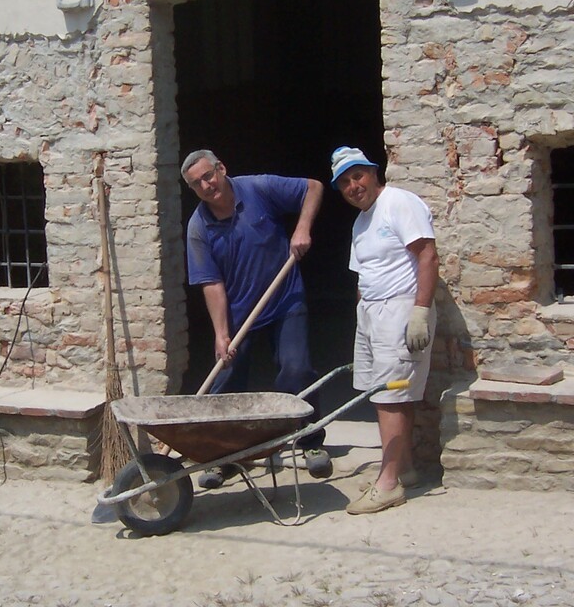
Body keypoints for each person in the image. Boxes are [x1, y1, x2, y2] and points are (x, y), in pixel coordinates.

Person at [182, 149, 332, 487]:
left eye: (209, 176)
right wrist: (222, 334)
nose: (206, 185)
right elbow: (211, 283)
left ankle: (309, 441)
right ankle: (226, 458)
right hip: (238, 312)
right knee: (226, 381)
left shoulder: (258, 188)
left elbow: (314, 187)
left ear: (222, 168)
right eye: (197, 183)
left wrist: (302, 229)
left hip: (284, 298)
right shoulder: (198, 228)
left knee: (297, 368)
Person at [330, 146, 440, 515]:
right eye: (344, 182)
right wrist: (362, 312)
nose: (353, 185)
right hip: (372, 312)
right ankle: (403, 469)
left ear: (374, 173)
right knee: (382, 393)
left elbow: (427, 253)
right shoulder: (361, 222)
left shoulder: (398, 202)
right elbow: (361, 273)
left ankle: (388, 484)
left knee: (392, 396)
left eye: (357, 175)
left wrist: (420, 311)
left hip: (400, 308)